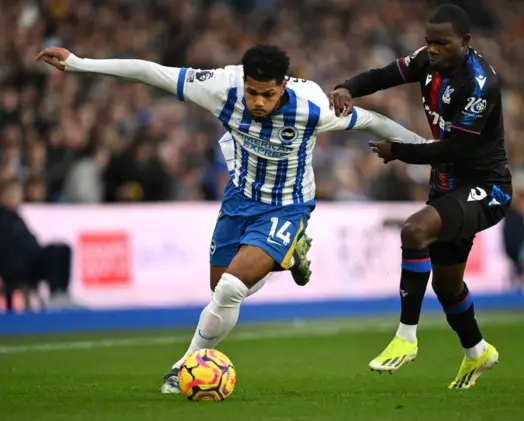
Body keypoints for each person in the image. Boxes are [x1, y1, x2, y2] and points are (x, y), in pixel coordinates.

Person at [36, 44, 427, 393]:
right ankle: (288, 255)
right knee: (220, 288)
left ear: (283, 88)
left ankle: (183, 365)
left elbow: (372, 121)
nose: (258, 102)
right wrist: (80, 64)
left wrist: (425, 148)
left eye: (268, 95)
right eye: (253, 92)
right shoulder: (221, 87)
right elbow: (152, 71)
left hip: (287, 206)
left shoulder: (312, 107)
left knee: (229, 291)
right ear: (243, 81)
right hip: (238, 202)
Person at [329, 4, 512, 389]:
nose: (431, 49)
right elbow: (384, 75)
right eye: (428, 41)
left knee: (414, 231)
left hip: (486, 188)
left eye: (441, 43)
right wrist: (348, 86)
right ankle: (478, 352)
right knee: (447, 286)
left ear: (464, 42)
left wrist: (399, 151)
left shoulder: (479, 86)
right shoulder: (426, 61)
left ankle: (406, 337)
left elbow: (455, 150)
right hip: (448, 186)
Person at [0, 179, 75, 311]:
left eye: (17, 194)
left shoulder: (16, 217)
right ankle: (57, 296)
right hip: (16, 265)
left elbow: (30, 241)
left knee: (62, 249)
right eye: (11, 194)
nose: (15, 198)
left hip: (29, 260)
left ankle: (60, 293)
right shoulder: (4, 218)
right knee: (54, 252)